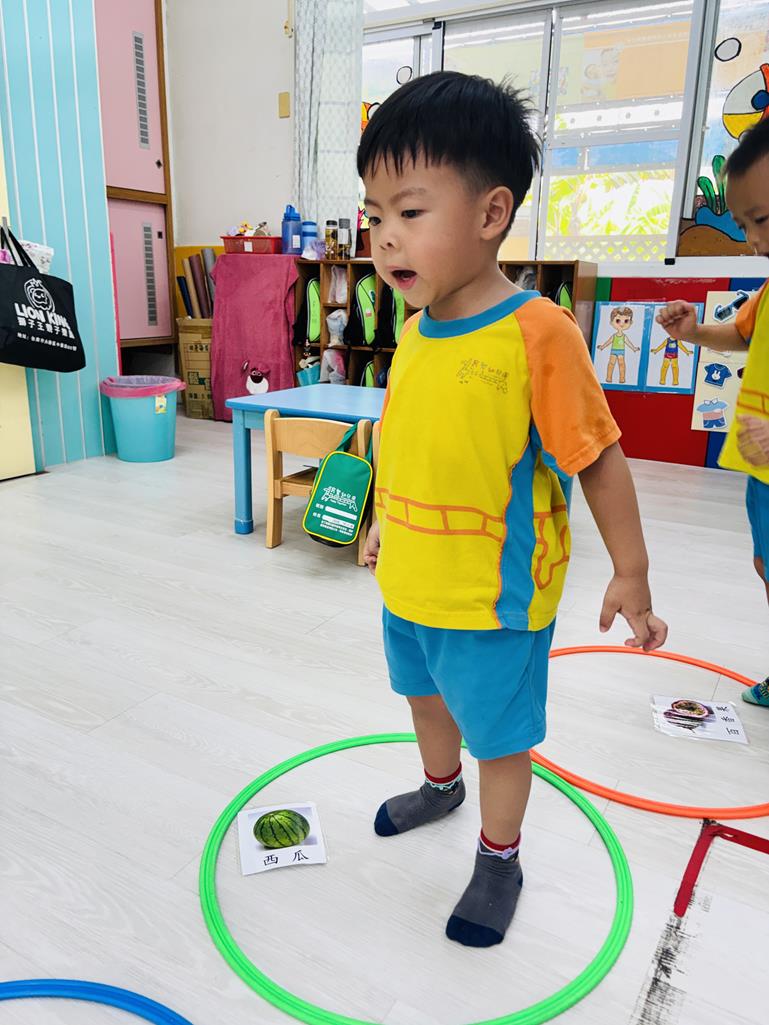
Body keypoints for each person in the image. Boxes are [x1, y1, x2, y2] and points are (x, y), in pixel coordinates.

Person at [358, 70, 668, 948]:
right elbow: (404, 437)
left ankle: (499, 857)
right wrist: (380, 517)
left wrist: (631, 570)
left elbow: (597, 457)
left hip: (493, 600)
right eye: (374, 216)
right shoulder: (413, 330)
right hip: (410, 580)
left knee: (499, 736)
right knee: (421, 697)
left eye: (409, 211)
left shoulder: (539, 333)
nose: (385, 237)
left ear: (491, 212)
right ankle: (439, 785)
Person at [659, 117, 769, 709]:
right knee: (765, 563)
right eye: (745, 225)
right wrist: (695, 330)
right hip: (761, 470)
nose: (753, 241)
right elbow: (742, 335)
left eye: (762, 220)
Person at [598, 306, 640, 384]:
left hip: (621, 351)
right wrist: (602, 347)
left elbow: (628, 343)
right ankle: (609, 377)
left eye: (626, 321)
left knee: (621, 364)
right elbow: (608, 342)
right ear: (611, 322)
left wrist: (634, 348)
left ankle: (622, 379)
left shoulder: (624, 337)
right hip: (613, 351)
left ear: (630, 323)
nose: (622, 324)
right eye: (618, 320)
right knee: (611, 364)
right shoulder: (614, 336)